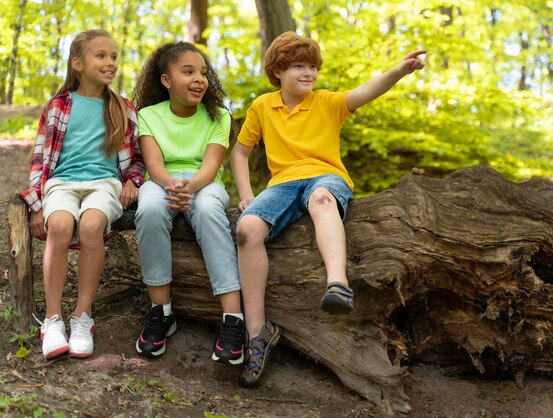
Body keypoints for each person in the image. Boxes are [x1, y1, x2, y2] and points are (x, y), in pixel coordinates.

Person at [231, 31, 426, 386]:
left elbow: (367, 90)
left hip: (326, 177)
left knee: (322, 200)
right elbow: (240, 151)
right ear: (277, 71)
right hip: (281, 184)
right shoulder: (262, 106)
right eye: (299, 67)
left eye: (313, 67)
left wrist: (401, 70)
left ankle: (337, 284)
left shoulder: (327, 103)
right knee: (246, 229)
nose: (308, 73)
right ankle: (257, 331)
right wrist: (246, 194)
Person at [21, 29, 145, 360]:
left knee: (91, 227)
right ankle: (53, 319)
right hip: (60, 183)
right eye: (101, 55)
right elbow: (39, 158)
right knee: (59, 227)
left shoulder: (123, 108)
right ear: (77, 63)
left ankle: (82, 317)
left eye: (114, 56)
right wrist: (36, 204)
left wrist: (133, 181)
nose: (110, 62)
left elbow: (137, 157)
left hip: (104, 184)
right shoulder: (58, 106)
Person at [131, 42, 245, 364]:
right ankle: (162, 312)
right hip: (162, 181)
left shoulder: (218, 116)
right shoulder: (148, 116)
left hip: (205, 183)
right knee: (150, 208)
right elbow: (154, 164)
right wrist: (171, 186)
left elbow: (211, 167)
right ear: (166, 81)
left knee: (208, 210)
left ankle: (233, 319)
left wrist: (190, 187)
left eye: (203, 73)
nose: (199, 79)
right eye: (188, 72)